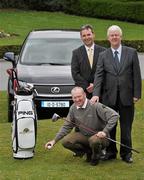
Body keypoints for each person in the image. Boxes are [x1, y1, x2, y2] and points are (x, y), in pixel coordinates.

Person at [91, 25, 142, 163]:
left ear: (121, 36)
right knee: (110, 127)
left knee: (126, 128)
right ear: (108, 38)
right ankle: (111, 152)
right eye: (112, 35)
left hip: (127, 97)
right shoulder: (103, 55)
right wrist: (96, 94)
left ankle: (126, 154)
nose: (114, 37)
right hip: (109, 98)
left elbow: (137, 75)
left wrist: (137, 93)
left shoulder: (131, 52)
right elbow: (99, 76)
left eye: (116, 35)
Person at [45, 87, 119, 166]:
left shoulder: (94, 105)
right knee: (66, 141)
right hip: (84, 135)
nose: (77, 99)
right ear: (72, 98)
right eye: (75, 97)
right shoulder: (73, 108)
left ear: (84, 95)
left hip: (100, 136)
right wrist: (54, 141)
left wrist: (105, 131)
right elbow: (66, 127)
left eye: (79, 96)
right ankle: (89, 153)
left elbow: (114, 115)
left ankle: (96, 156)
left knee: (94, 141)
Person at [71, 24, 105, 99]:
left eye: (88, 34)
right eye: (84, 35)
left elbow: (106, 71)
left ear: (93, 35)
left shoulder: (103, 52)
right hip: (83, 94)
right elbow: (75, 73)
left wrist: (95, 85)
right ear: (81, 37)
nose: (87, 37)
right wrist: (87, 86)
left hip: (101, 93)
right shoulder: (76, 53)